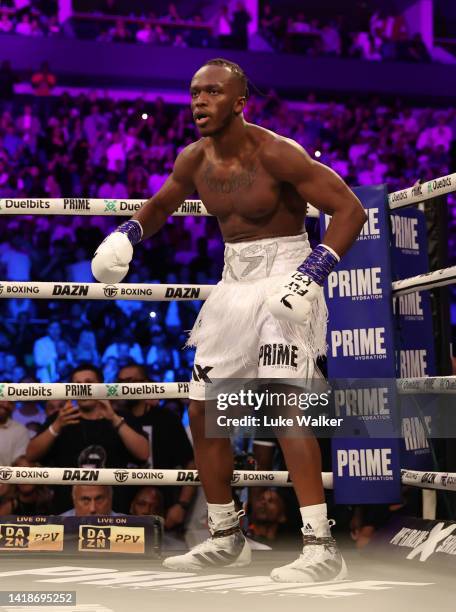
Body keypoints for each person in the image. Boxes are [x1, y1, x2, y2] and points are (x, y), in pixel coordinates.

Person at [91, 58, 367, 583]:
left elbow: (350, 209)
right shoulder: (193, 160)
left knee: (284, 406)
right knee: (203, 412)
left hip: (288, 276)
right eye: (195, 92)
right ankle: (224, 536)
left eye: (213, 92)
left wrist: (311, 274)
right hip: (233, 285)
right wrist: (125, 234)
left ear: (240, 101)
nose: (200, 101)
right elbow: (161, 204)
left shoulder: (277, 152)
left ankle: (321, 546)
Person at [26, 363, 149, 513]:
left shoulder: (121, 417)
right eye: (77, 384)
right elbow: (31, 454)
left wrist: (114, 419)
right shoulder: (61, 419)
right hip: (68, 513)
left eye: (89, 383)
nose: (83, 389)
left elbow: (143, 453)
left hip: (113, 512)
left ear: (101, 386)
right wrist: (56, 426)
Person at [116, 363, 195, 529]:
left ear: (146, 383)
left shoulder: (167, 419)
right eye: (121, 381)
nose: (125, 386)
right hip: (119, 511)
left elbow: (190, 462)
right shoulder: (113, 419)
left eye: (131, 381)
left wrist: (182, 505)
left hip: (163, 509)